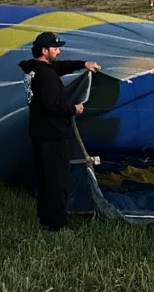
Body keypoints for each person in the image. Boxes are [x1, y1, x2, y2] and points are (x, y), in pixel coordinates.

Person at [19, 31, 101, 231]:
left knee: (45, 179)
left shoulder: (35, 70)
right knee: (57, 181)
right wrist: (74, 109)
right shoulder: (46, 75)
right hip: (53, 135)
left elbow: (60, 67)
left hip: (39, 132)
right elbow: (52, 105)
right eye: (55, 48)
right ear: (44, 50)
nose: (59, 51)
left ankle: (45, 217)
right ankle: (57, 225)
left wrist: (83, 64)